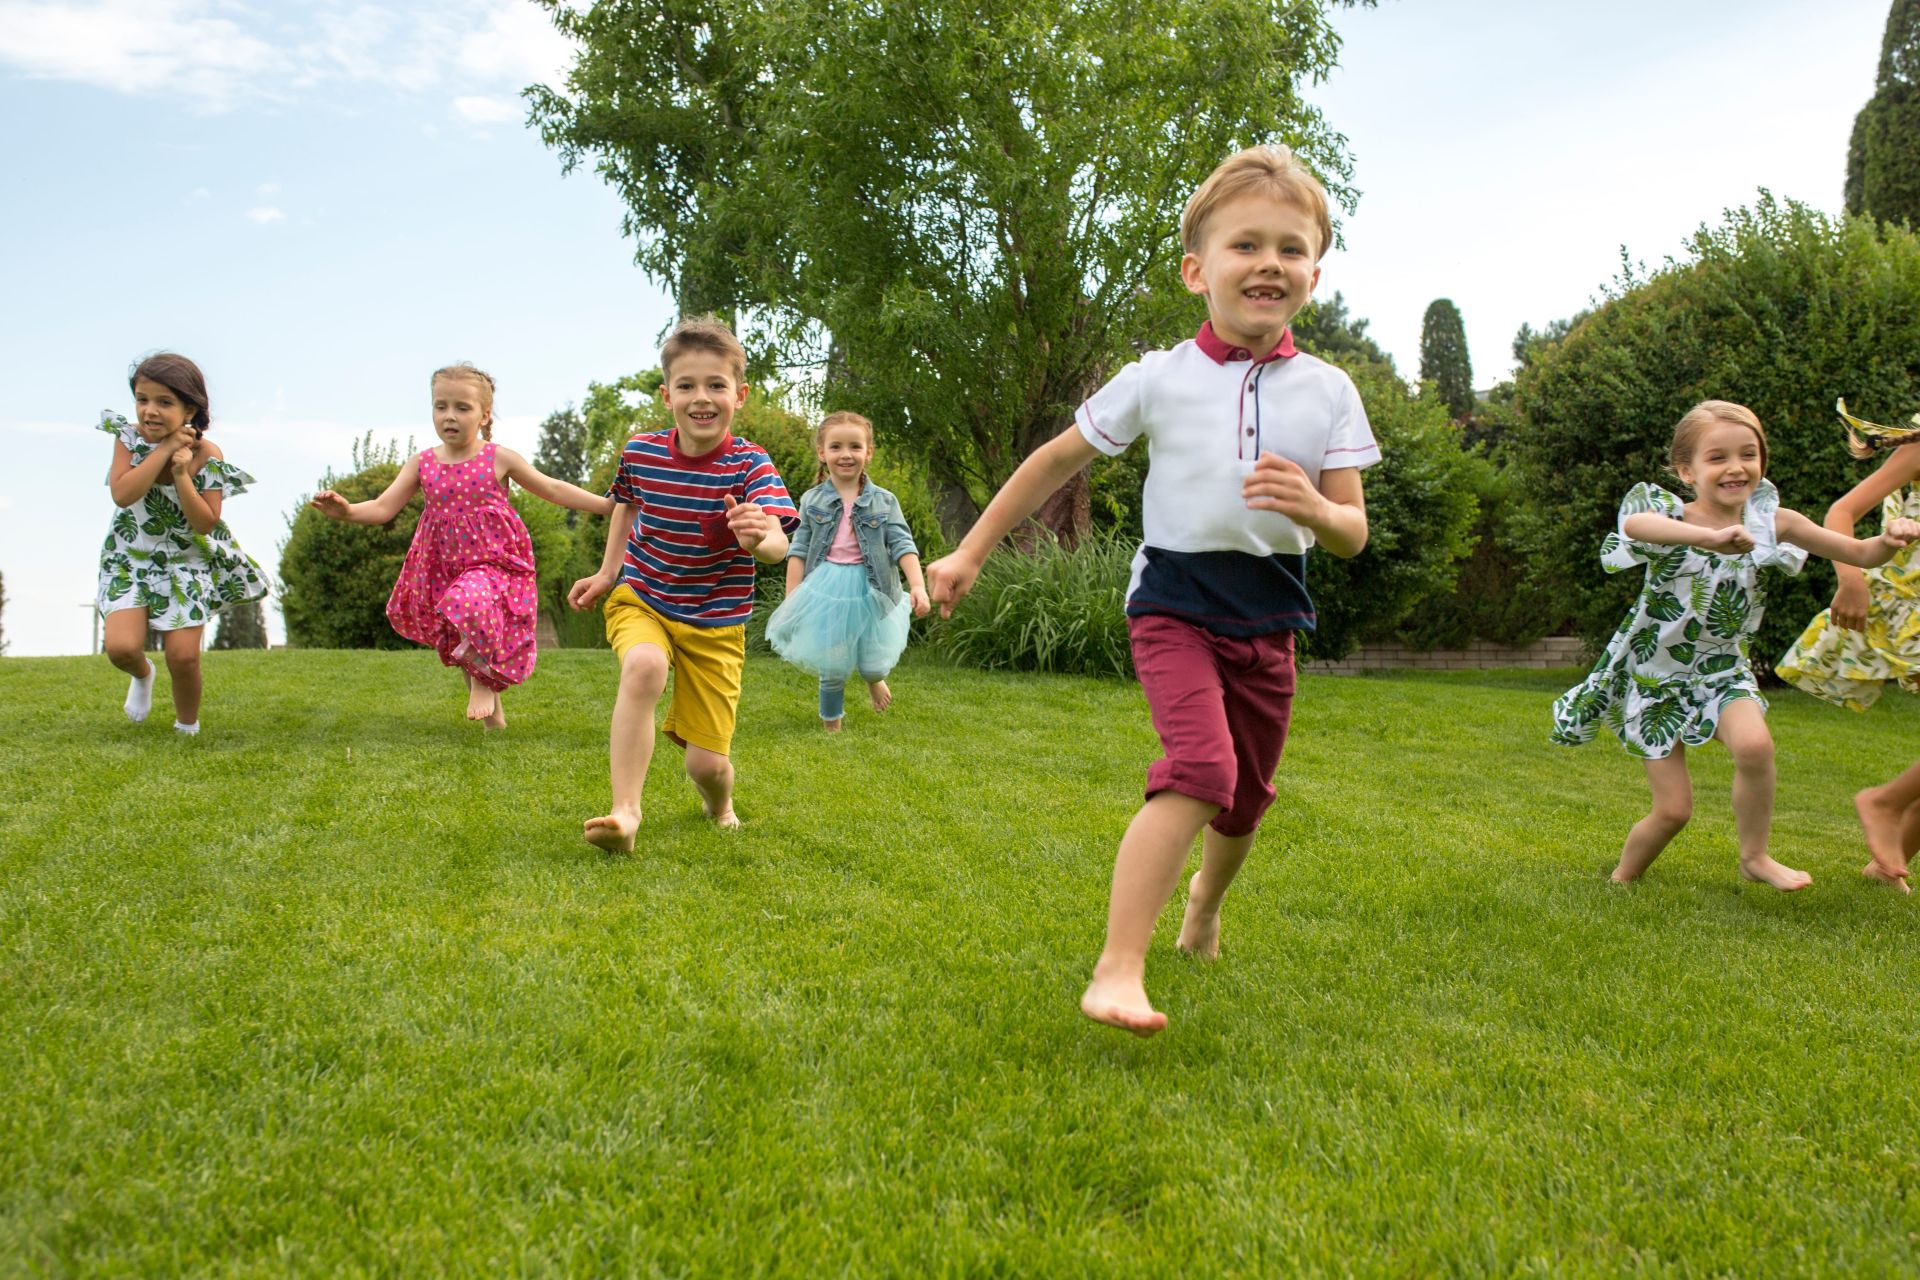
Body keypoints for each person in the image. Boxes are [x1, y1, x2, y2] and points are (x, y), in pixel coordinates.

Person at [926, 146, 1378, 1037]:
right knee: (1201, 771)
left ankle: (1204, 904)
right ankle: (1118, 968)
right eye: (1245, 245)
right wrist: (972, 550)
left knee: (1245, 801)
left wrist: (1316, 508)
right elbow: (1057, 459)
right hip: (1173, 602)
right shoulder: (1158, 377)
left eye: (1290, 249)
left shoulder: (1330, 391)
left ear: (1314, 275)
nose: (1269, 264)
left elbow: (1354, 532)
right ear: (1196, 269)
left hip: (1272, 612)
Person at [1551, 399, 1920, 891]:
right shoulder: (1668, 515)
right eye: (1717, 457)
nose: (1736, 467)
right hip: (1653, 675)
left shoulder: (1775, 523)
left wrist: (1892, 539)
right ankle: (1623, 880)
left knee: (1755, 745)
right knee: (1674, 810)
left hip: (1721, 671)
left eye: (1748, 454)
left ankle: (1754, 857)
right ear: (1687, 469)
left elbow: (1858, 551)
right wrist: (1707, 538)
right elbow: (1637, 528)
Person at [567, 317, 798, 850]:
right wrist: (609, 573)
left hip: (715, 625)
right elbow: (626, 505)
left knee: (707, 763)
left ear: (739, 395)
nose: (702, 398)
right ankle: (625, 813)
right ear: (665, 392)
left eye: (716, 385)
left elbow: (779, 545)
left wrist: (757, 536)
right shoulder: (641, 452)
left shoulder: (750, 464)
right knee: (644, 666)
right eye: (687, 385)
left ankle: (720, 804)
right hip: (644, 596)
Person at [310, 364, 611, 728]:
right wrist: (345, 511)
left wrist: (608, 504)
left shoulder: (498, 458)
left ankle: (484, 687)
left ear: (484, 415)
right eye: (441, 406)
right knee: (459, 629)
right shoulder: (422, 463)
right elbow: (382, 507)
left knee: (469, 601)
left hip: (496, 562)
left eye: (462, 408)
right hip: (444, 566)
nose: (449, 416)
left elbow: (553, 489)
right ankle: (494, 723)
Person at [1777, 398, 1920, 891]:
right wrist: (1851, 579)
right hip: (1907, 604)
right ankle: (1883, 802)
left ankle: (1887, 865)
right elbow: (1843, 511)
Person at [98, 352, 270, 735]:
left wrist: (179, 472)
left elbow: (205, 522)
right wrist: (160, 450)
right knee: (122, 648)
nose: (150, 411)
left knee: (184, 656)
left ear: (189, 408)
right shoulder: (127, 438)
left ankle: (186, 727)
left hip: (185, 562)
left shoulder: (208, 455)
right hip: (131, 557)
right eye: (142, 399)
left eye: (164, 402)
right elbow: (123, 495)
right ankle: (143, 675)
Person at [766, 411, 931, 730]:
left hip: (873, 587)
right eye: (836, 446)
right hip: (827, 588)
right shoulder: (812, 500)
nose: (845, 454)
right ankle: (832, 726)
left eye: (855, 447)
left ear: (868, 452)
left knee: (871, 660)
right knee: (833, 663)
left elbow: (902, 545)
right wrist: (792, 601)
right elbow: (798, 551)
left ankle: (874, 679)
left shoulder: (884, 501)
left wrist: (919, 586)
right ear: (822, 452)